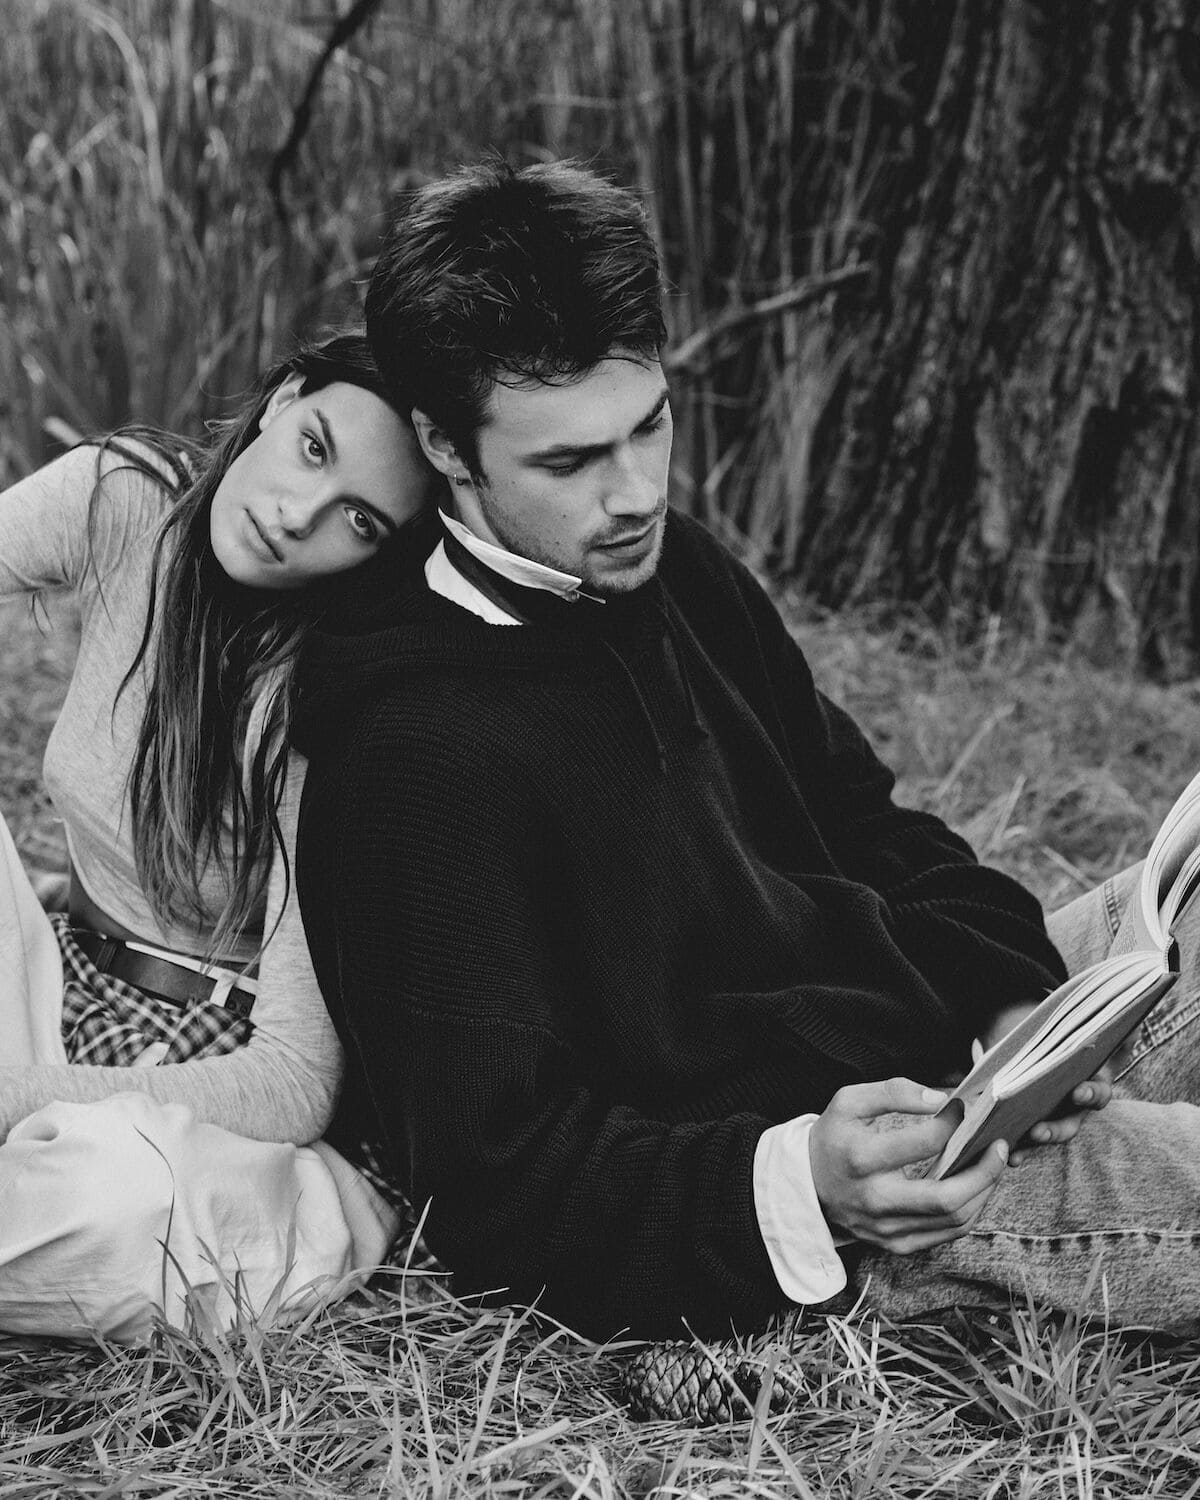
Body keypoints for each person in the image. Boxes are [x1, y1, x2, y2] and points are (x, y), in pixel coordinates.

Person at [291, 159, 1200, 1345]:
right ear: (446, 448)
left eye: (650, 425)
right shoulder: (412, 752)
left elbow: (869, 821)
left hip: (949, 1058)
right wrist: (804, 1182)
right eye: (568, 461)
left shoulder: (675, 568)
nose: (633, 494)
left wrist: (1015, 1005)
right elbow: (494, 1183)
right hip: (838, 1196)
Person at [0, 331, 438, 1341]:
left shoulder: (338, 696)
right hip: (57, 988)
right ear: (282, 399)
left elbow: (292, 1082)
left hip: (208, 1097)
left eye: (359, 520)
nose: (295, 516)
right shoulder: (124, 501)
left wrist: (18, 1095)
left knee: (111, 1202)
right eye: (315, 447)